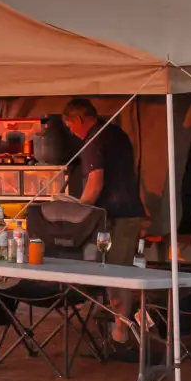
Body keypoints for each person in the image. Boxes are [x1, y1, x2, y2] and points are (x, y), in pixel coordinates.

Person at [59, 98, 149, 361]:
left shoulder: (94, 139)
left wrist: (76, 212)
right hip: (126, 215)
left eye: (69, 125)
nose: (71, 131)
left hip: (119, 218)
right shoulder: (116, 133)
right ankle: (115, 334)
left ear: (78, 119)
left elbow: (95, 185)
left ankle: (121, 338)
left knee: (116, 277)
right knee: (116, 276)